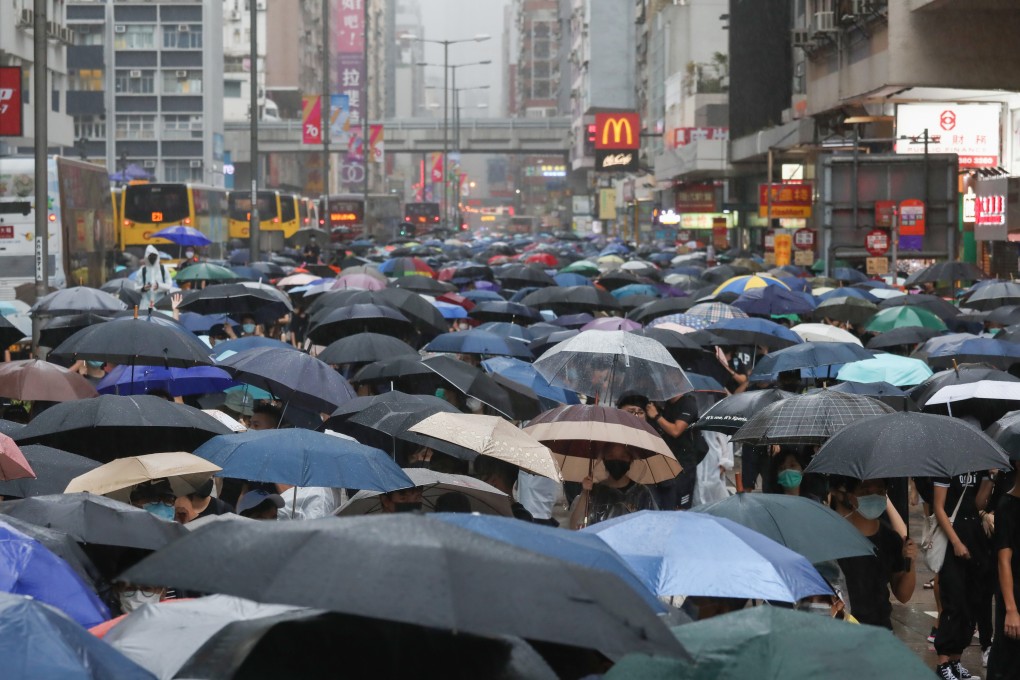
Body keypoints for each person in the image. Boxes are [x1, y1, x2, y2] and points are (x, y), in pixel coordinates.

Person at [830, 476, 916, 630]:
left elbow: (903, 595)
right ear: (851, 497)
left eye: (880, 491)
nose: (873, 496)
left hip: (880, 630)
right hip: (844, 630)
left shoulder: (891, 539)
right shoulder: (834, 535)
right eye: (866, 491)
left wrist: (911, 562)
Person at [933, 469, 993, 680]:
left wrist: (989, 479)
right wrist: (956, 542)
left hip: (974, 538)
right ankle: (943, 662)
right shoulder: (946, 467)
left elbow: (978, 504)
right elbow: (939, 507)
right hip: (952, 540)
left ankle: (956, 660)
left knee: (970, 603)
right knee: (954, 602)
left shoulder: (980, 466)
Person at [568, 443, 658, 530]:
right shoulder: (594, 491)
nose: (616, 461)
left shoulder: (641, 493)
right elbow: (574, 527)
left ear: (630, 460)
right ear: (604, 459)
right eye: (611, 456)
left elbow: (653, 527)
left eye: (623, 457)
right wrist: (585, 493)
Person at [645, 392, 703, 510]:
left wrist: (657, 416)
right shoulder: (665, 405)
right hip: (667, 463)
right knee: (667, 504)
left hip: (684, 464)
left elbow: (676, 431)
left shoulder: (688, 403)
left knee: (681, 507)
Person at [988, 465, 1020, 679]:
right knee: (1008, 663)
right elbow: (1003, 560)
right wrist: (1011, 609)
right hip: (1014, 595)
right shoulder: (1007, 506)